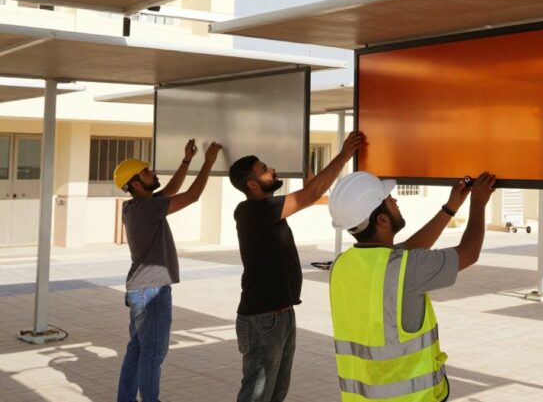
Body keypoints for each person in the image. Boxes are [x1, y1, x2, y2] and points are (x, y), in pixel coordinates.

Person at [327, 169, 497, 401]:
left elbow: (408, 250)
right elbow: (468, 253)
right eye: (389, 200)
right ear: (382, 220)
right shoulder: (404, 269)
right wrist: (478, 203)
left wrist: (450, 208)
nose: (395, 200)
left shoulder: (343, 265)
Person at [228, 131, 364, 402]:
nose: (273, 170)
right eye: (265, 170)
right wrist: (345, 154)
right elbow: (311, 193)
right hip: (263, 320)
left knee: (275, 393)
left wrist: (304, 160)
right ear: (252, 184)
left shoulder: (268, 208)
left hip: (281, 315)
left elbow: (313, 190)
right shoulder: (255, 211)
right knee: (257, 394)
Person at [114, 139, 222, 402]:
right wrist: (207, 164)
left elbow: (172, 189)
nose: (153, 173)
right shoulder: (147, 209)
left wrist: (187, 160)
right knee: (152, 354)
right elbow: (191, 196)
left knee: (137, 352)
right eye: (147, 173)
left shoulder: (134, 207)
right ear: (136, 184)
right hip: (152, 291)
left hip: (140, 289)